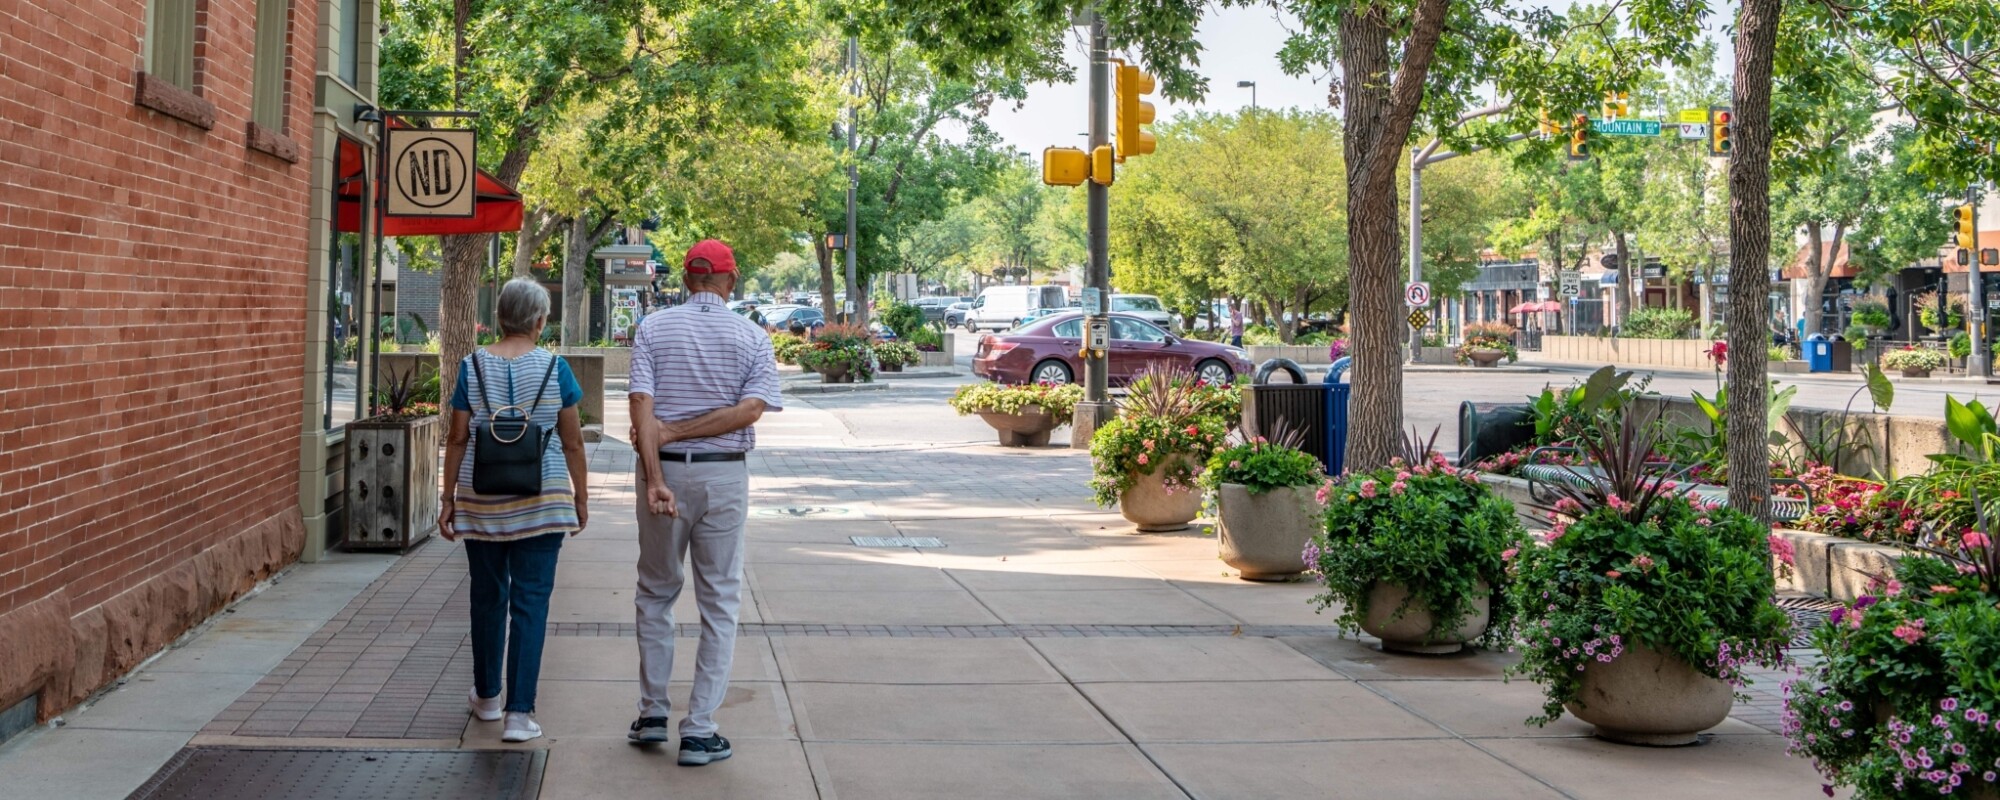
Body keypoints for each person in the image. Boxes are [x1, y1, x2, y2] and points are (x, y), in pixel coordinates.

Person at [627, 239, 782, 766]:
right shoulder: (753, 336)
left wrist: (654, 472)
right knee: (718, 603)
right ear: (729, 281)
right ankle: (698, 729)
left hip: (662, 474)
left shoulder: (652, 329)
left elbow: (640, 410)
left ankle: (652, 714)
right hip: (723, 479)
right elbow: (750, 411)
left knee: (655, 592)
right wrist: (677, 433)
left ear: (688, 280)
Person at [438, 278, 589, 744]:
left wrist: (447, 499)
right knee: (530, 604)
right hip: (541, 503)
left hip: (482, 502)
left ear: (501, 316)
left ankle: (487, 697)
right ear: (540, 321)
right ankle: (520, 714)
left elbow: (458, 437)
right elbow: (572, 441)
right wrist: (580, 497)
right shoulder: (556, 368)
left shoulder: (471, 366)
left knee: (487, 597)